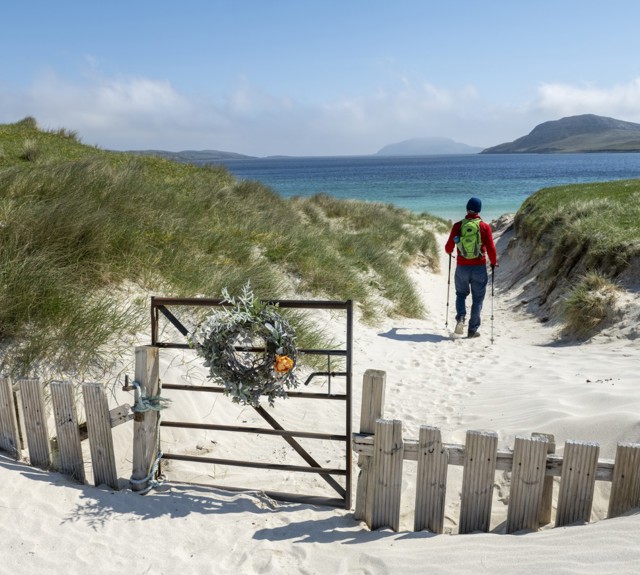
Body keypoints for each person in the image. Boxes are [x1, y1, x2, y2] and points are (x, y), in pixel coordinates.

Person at [444, 197, 498, 338]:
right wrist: (493, 262)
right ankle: (472, 330)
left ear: (466, 208)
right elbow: (491, 248)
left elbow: (448, 248)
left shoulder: (458, 226)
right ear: (479, 210)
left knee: (461, 294)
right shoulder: (484, 227)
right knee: (478, 299)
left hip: (462, 267)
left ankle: (460, 319)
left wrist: (453, 249)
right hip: (479, 267)